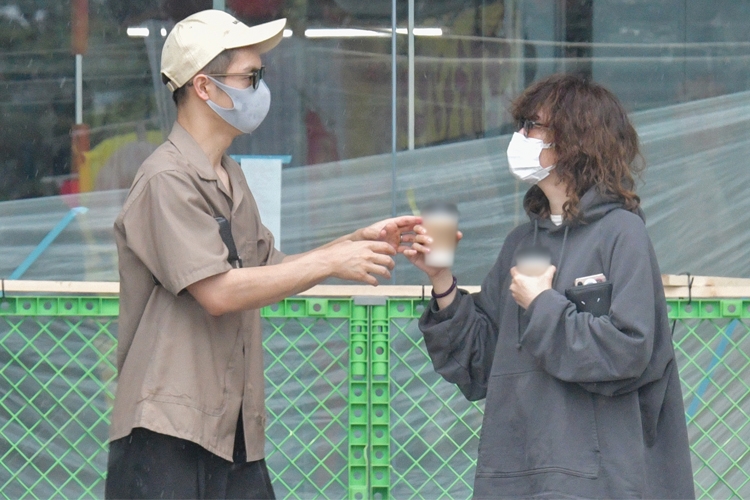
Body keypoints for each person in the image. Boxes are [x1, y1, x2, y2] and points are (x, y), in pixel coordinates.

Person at [105, 10, 419, 499]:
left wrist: (355, 242)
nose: (260, 90)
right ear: (204, 88)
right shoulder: (165, 179)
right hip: (167, 430)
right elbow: (216, 291)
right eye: (251, 77)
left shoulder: (231, 176)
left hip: (232, 431)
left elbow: (268, 270)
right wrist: (332, 262)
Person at [404, 74, 695, 499]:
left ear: (577, 138)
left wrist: (542, 304)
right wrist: (441, 280)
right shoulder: (521, 243)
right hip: (514, 475)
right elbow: (480, 366)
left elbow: (628, 352)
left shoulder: (622, 233)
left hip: (598, 481)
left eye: (531, 125)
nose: (519, 136)